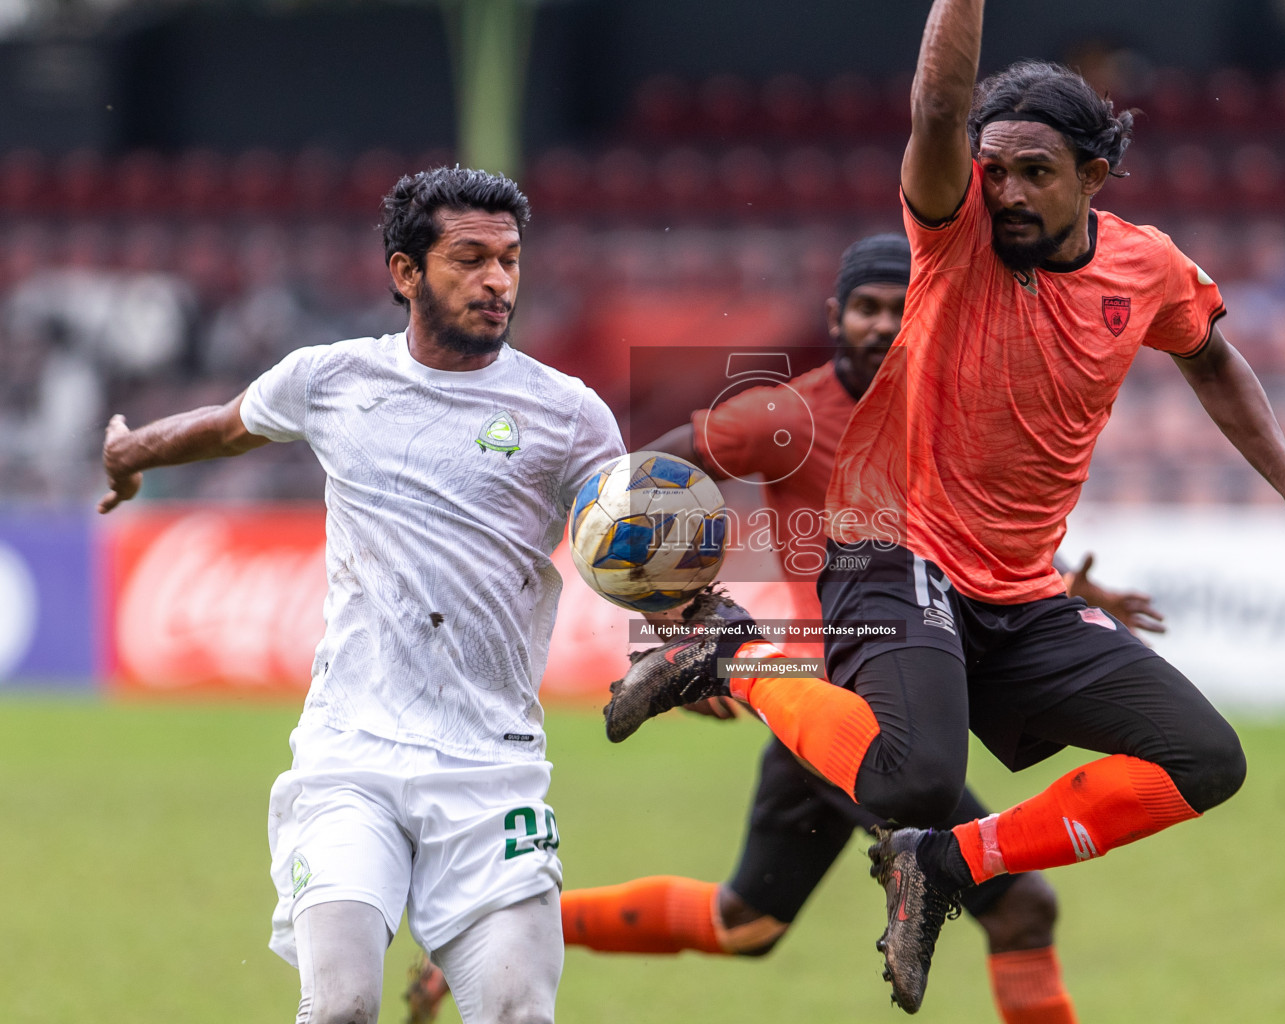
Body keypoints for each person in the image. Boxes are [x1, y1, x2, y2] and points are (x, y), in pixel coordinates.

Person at [604, 1, 1285, 1014]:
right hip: (892, 551)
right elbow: (936, 105)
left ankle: (946, 866)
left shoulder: (1149, 268)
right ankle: (731, 650)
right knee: (906, 778)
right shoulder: (955, 234)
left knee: (1205, 759)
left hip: (1020, 591)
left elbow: (1212, 357)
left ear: (1094, 178)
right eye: (991, 165)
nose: (1001, 189)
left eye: (1032, 172)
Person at [404, 234, 1164, 1024]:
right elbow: (625, 501)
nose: (881, 324)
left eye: (900, 309)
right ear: (835, 317)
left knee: (747, 925)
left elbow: (973, 529)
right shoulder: (782, 415)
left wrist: (1056, 582)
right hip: (844, 704)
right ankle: (721, 662)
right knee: (1019, 909)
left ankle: (493, 931)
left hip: (844, 708)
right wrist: (672, 619)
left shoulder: (949, 418)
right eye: (866, 307)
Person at [98, 166, 625, 1024]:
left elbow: (634, 542)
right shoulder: (330, 378)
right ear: (405, 272)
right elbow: (227, 427)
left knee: (519, 1014)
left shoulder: (569, 414)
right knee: (341, 1007)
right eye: (470, 259)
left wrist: (694, 622)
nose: (498, 280)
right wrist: (129, 456)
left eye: (511, 259)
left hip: (491, 767)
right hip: (350, 758)